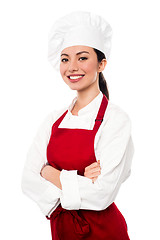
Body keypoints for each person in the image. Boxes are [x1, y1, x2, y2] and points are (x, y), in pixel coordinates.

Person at [21, 11, 134, 240]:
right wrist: (81, 177)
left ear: (101, 64)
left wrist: (49, 172)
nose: (72, 66)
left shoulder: (116, 120)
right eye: (65, 59)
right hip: (62, 231)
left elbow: (102, 194)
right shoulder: (53, 120)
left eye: (82, 58)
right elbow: (28, 180)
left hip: (105, 233)